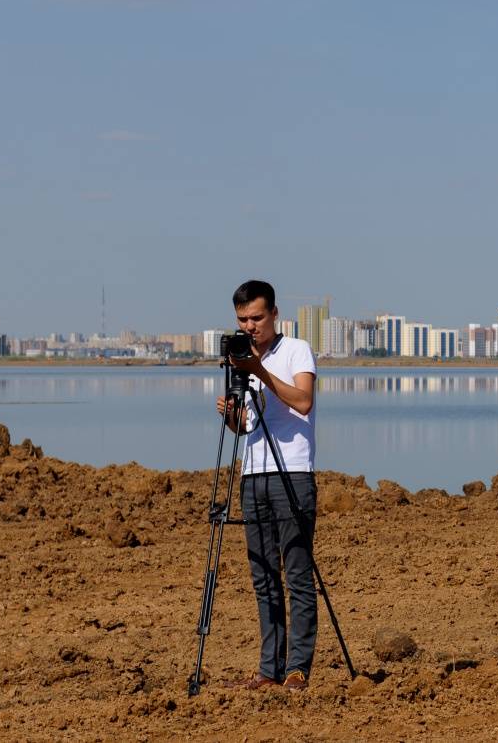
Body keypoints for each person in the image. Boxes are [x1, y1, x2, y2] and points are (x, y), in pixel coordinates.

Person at [215, 279, 318, 691]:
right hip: (251, 474)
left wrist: (258, 371)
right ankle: (268, 670)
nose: (250, 326)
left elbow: (304, 401)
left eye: (257, 317)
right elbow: (245, 427)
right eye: (242, 319)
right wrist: (228, 413)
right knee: (262, 577)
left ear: (275, 314)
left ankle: (296, 670)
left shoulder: (297, 350)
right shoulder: (239, 358)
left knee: (296, 573)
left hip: (292, 472)